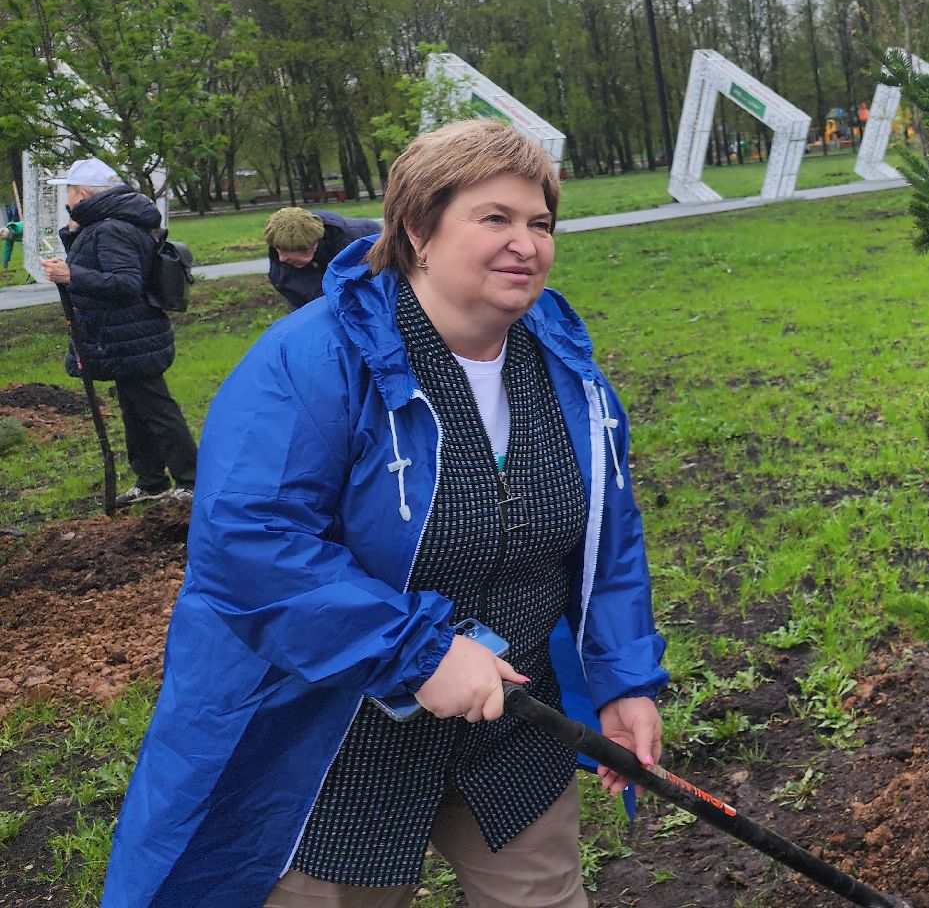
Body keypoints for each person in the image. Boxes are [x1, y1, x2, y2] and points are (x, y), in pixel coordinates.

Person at [103, 120, 669, 907]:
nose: (526, 244)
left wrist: (625, 677)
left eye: (539, 223)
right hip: (333, 738)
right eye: (494, 218)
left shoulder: (565, 369)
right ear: (417, 231)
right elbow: (248, 543)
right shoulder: (313, 361)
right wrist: (417, 653)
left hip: (511, 730)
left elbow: (608, 539)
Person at [40, 158, 197, 504]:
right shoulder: (108, 224)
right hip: (124, 336)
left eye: (68, 190)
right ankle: (151, 481)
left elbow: (125, 283)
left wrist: (70, 276)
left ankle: (191, 480)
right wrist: (73, 235)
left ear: (81, 193)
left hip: (131, 336)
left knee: (156, 410)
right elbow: (98, 263)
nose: (65, 196)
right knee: (136, 410)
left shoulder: (111, 228)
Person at [263, 205, 382, 311]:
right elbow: (303, 311)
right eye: (277, 249)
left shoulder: (365, 240)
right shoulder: (281, 274)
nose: (281, 258)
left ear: (311, 246)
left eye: (287, 250)